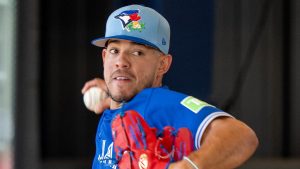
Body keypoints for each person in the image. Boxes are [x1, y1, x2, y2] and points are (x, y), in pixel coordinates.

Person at [82, 4, 258, 169]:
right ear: (104, 57)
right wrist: (112, 92)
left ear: (162, 65)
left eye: (137, 52)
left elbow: (241, 136)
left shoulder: (157, 102)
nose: (121, 62)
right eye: (114, 51)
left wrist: (187, 166)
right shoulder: (121, 107)